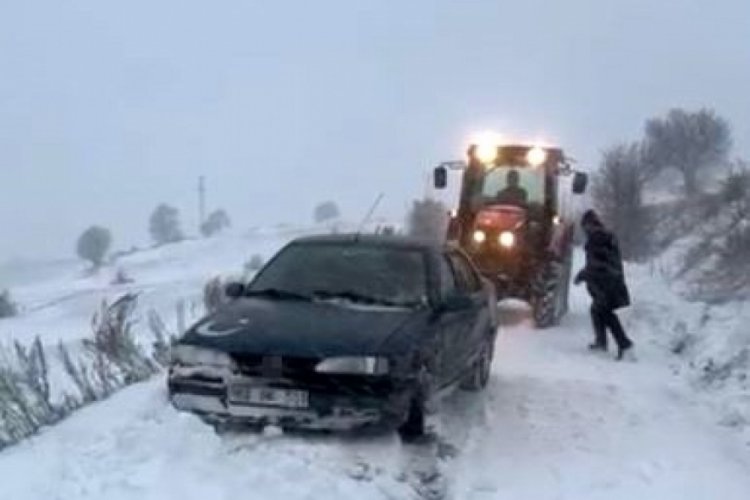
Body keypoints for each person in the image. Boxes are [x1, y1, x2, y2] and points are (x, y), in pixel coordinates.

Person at [574, 209, 634, 360]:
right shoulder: (604, 236)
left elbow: (598, 265)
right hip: (611, 282)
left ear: (590, 225)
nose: (585, 230)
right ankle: (601, 341)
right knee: (597, 310)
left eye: (586, 226)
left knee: (607, 314)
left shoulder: (598, 238)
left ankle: (625, 345)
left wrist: (583, 275)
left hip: (607, 284)